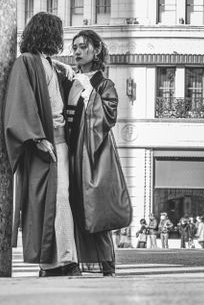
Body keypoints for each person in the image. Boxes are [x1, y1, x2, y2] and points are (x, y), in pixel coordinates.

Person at [3, 12, 80, 277]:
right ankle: (58, 262)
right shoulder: (26, 61)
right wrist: (37, 137)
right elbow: (21, 100)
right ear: (49, 33)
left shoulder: (46, 62)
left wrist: (62, 68)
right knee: (52, 201)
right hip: (45, 143)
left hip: (59, 141)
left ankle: (60, 260)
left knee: (60, 200)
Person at [65, 29, 118, 277]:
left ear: (96, 50)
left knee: (95, 207)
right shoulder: (70, 80)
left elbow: (109, 116)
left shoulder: (104, 84)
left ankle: (106, 264)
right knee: (72, 207)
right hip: (70, 152)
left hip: (93, 154)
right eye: (74, 47)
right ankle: (72, 261)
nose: (77, 51)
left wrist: (88, 98)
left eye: (83, 46)